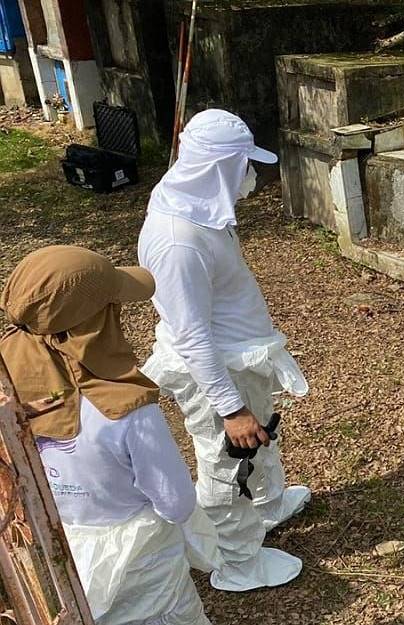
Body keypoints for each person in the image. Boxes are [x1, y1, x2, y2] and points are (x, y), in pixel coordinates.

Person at [138, 109, 310, 592]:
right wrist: (231, 409)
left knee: (263, 433)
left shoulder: (197, 205)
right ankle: (238, 562)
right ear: (220, 168)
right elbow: (192, 337)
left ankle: (269, 504)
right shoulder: (179, 242)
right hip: (217, 374)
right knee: (226, 460)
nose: (251, 176)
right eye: (244, 165)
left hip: (242, 359)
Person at [0, 246, 218, 624]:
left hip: (60, 555)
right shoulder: (129, 408)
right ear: (97, 325)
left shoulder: (10, 396)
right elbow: (176, 503)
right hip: (144, 566)